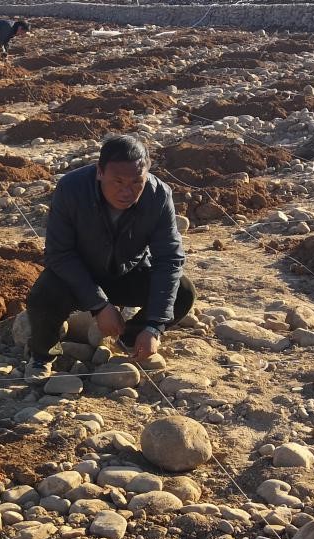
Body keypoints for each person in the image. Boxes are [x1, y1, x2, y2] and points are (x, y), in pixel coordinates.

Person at [23, 133, 194, 382]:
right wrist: (99, 305)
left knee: (183, 291)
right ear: (100, 172)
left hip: (127, 270)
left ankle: (131, 337)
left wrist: (155, 326)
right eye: (118, 181)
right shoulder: (72, 189)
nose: (126, 191)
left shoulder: (158, 195)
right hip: (80, 273)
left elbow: (168, 258)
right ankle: (42, 354)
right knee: (43, 295)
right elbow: (59, 254)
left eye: (136, 182)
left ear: (147, 173)